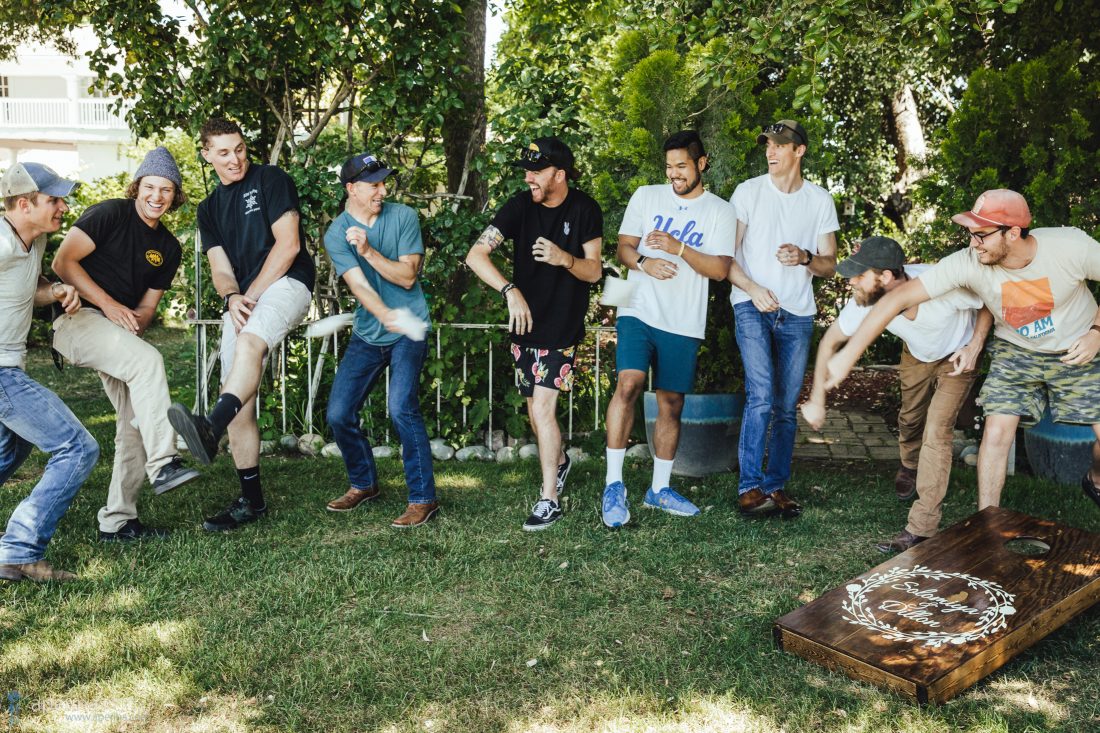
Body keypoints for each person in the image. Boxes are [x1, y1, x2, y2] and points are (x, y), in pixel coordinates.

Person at [826, 189, 1100, 514]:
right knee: (997, 432)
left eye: (981, 234)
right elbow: (897, 299)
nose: (973, 243)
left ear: (1013, 232)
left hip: (1078, 344)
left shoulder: (1068, 246)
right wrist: (847, 354)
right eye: (970, 233)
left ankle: (1095, 477)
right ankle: (987, 522)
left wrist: (1097, 333)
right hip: (1017, 350)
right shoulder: (968, 263)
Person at [168, 117, 315, 532]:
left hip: (287, 282)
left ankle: (208, 428)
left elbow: (288, 246)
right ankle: (251, 502)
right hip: (245, 297)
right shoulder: (209, 208)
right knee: (238, 398)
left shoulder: (271, 179)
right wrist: (232, 296)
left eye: (239, 149)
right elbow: (220, 268)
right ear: (207, 155)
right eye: (223, 152)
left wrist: (250, 293)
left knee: (251, 343)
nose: (234, 159)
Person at [801, 236, 992, 551]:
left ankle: (921, 526)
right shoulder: (866, 298)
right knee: (910, 418)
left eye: (859, 275)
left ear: (886, 276)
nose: (851, 282)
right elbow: (829, 341)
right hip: (916, 354)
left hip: (958, 356)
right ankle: (910, 463)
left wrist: (976, 344)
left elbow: (987, 299)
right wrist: (816, 400)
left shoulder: (942, 284)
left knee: (937, 431)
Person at [52, 147, 200, 542]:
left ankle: (117, 521)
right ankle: (165, 461)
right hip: (76, 321)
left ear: (175, 195)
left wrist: (135, 319)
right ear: (137, 187)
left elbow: (148, 308)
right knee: (149, 361)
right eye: (150, 186)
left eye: (167, 190)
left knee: (135, 422)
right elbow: (63, 263)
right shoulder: (110, 213)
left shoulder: (168, 248)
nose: (157, 196)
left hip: (118, 332)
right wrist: (109, 304)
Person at [465, 137, 603, 531]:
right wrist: (510, 291)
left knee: (543, 410)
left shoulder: (584, 209)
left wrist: (564, 258)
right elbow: (476, 254)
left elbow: (593, 271)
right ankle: (560, 462)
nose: (528, 178)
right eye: (526, 170)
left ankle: (549, 500)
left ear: (559, 174)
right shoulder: (520, 205)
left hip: (562, 327)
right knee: (532, 409)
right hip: (524, 326)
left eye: (537, 170)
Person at [601, 130, 735, 528]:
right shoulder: (646, 195)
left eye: (681, 166)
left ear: (702, 164)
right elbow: (623, 247)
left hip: (683, 318)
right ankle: (613, 485)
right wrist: (643, 263)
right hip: (636, 307)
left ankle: (659, 489)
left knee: (672, 402)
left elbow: (720, 269)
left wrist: (677, 248)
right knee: (628, 383)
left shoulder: (720, 211)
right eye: (669, 166)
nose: (674, 174)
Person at [726, 119, 839, 518]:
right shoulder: (748, 192)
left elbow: (830, 264)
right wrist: (754, 290)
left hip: (798, 312)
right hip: (750, 304)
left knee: (786, 405)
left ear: (799, 151)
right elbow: (726, 259)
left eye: (779, 144)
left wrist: (806, 257)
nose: (771, 151)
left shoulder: (820, 200)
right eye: (767, 145)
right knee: (760, 394)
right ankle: (750, 487)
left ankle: (776, 486)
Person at [322, 152, 438, 527]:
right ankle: (364, 483)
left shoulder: (403, 217)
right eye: (374, 185)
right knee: (339, 413)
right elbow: (357, 286)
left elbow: (407, 277)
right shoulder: (336, 233)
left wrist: (369, 250)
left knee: (401, 405)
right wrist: (383, 314)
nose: (382, 190)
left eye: (384, 182)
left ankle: (423, 498)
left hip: (410, 327)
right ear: (351, 188)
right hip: (370, 333)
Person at [0, 162, 97, 582]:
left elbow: (28, 289)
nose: (63, 206)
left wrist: (55, 290)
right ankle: (19, 552)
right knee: (77, 447)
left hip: (8, 365)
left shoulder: (31, 241)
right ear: (24, 204)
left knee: (11, 451)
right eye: (53, 199)